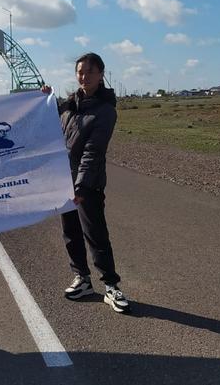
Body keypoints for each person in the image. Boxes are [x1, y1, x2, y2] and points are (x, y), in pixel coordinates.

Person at [41, 53, 130, 313]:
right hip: (64, 180)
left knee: (96, 234)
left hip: (87, 184)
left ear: (101, 74)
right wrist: (44, 100)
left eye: (90, 71)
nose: (84, 76)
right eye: (80, 72)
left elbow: (93, 152)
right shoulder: (70, 106)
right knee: (70, 232)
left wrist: (80, 187)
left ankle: (111, 286)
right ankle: (82, 279)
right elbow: (47, 123)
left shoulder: (105, 111)